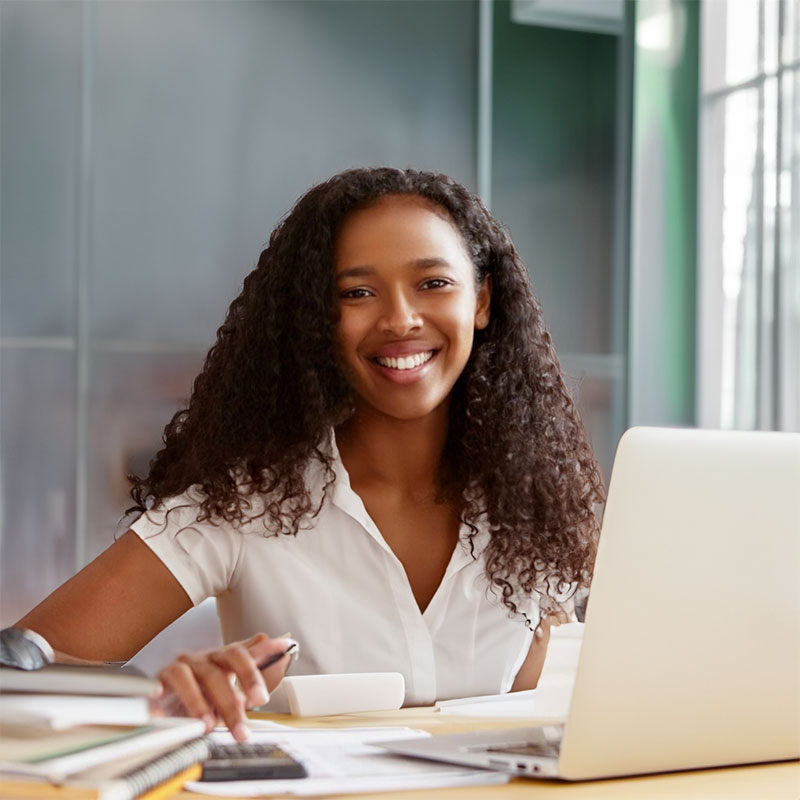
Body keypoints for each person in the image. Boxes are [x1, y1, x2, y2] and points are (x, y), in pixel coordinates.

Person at [16, 167, 604, 741]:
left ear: (482, 300)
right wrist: (159, 698)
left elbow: (535, 727)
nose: (400, 318)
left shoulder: (531, 506)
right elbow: (20, 669)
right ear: (318, 321)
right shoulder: (242, 502)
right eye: (358, 292)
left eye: (433, 283)